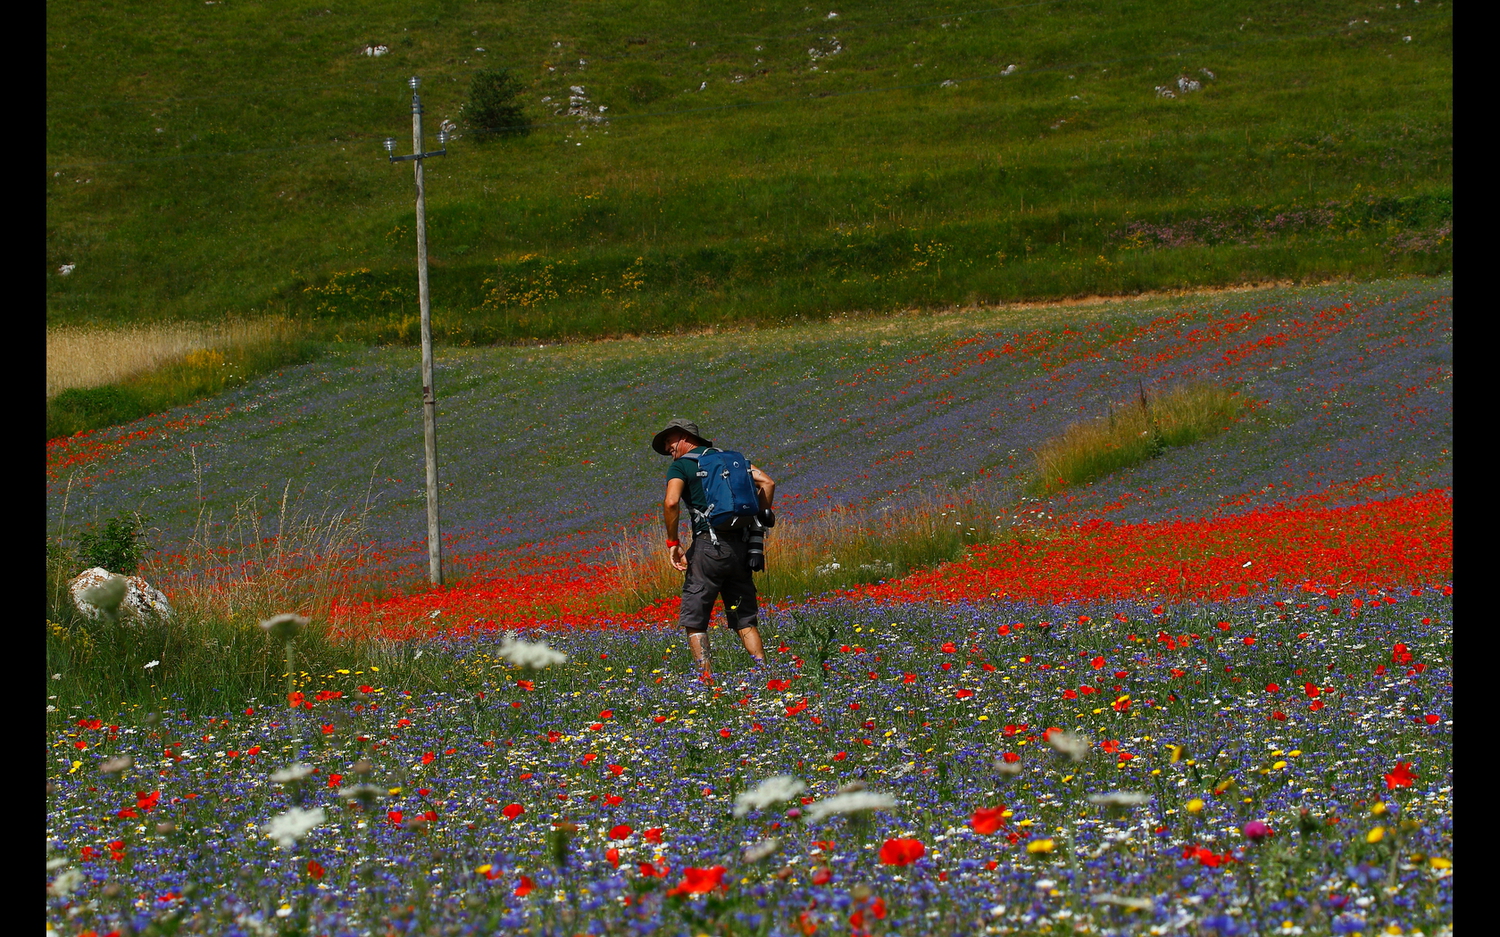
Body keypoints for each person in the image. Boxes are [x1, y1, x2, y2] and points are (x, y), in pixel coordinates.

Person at [652, 418, 776, 685]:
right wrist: (758, 522)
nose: (667, 447)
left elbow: (671, 501)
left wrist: (673, 543)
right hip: (742, 547)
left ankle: (707, 682)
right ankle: (766, 675)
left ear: (683, 437)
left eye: (669, 440)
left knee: (695, 618)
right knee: (744, 617)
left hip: (709, 548)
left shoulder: (682, 465)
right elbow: (767, 482)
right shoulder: (732, 460)